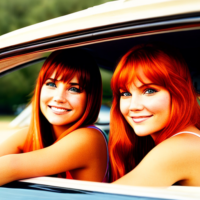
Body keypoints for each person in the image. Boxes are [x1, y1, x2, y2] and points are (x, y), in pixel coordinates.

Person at [0, 48, 109, 186]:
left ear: (90, 98)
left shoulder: (89, 138)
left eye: (73, 89)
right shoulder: (34, 133)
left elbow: (10, 166)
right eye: (51, 84)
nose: (58, 98)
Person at [109, 44, 200, 186]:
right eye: (125, 93)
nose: (133, 106)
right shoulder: (187, 140)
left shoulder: (179, 148)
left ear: (179, 93)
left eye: (149, 91)